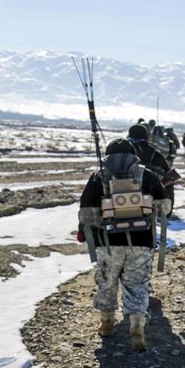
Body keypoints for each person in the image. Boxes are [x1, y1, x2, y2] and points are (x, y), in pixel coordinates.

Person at [77, 138, 171, 350]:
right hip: (142, 241)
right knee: (137, 285)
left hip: (106, 243)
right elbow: (164, 207)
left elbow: (86, 212)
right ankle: (137, 327)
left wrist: (88, 230)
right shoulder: (146, 175)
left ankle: (107, 324)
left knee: (107, 283)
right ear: (132, 154)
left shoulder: (98, 176)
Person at [128, 123, 176, 212]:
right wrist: (169, 207)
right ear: (146, 136)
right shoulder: (153, 153)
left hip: (124, 194)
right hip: (149, 194)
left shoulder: (124, 152)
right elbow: (168, 176)